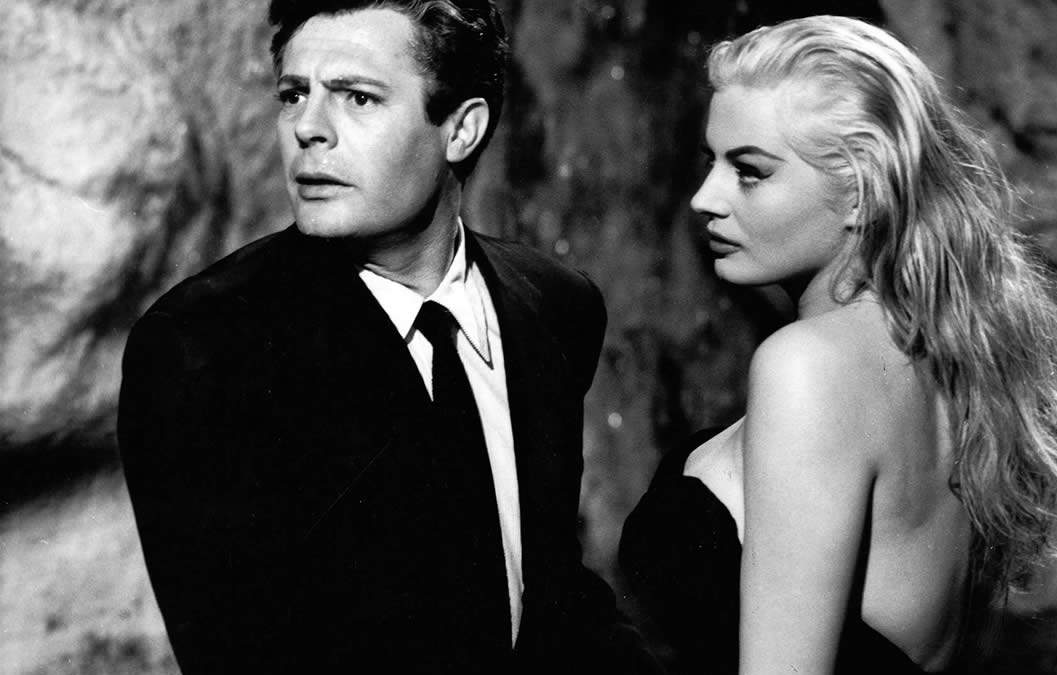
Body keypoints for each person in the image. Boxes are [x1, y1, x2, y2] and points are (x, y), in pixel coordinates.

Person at [118, 1, 659, 673]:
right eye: (294, 95)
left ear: (462, 129)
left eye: (358, 97)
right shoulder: (203, 350)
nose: (308, 129)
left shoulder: (554, 306)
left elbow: (548, 587)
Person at [620, 15, 1057, 675]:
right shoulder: (947, 358)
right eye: (709, 162)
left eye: (749, 172)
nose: (704, 198)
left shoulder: (807, 365)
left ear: (862, 192)